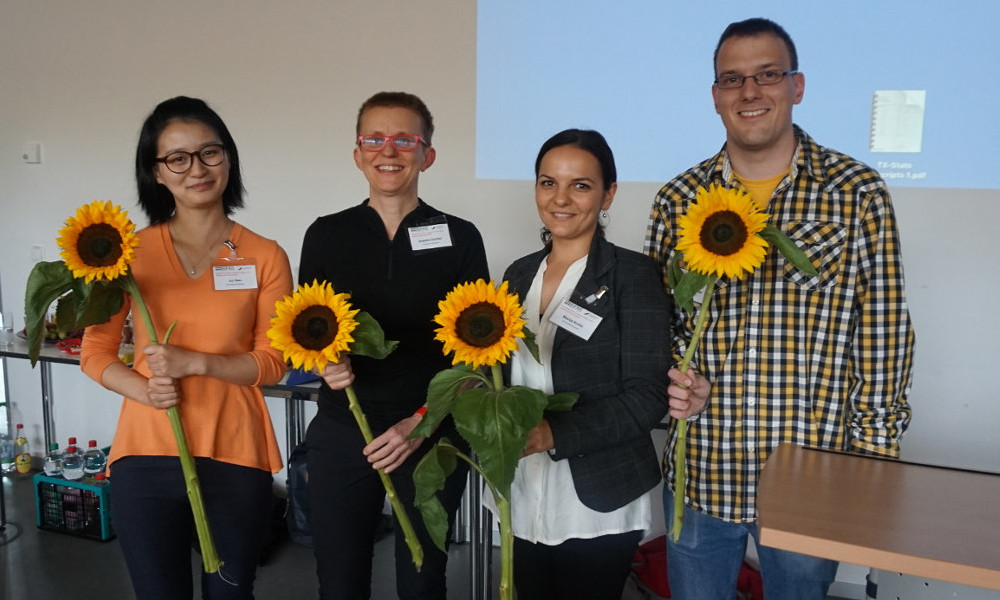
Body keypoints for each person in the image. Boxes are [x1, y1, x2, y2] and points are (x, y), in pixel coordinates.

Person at [644, 18, 915, 599]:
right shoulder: (678, 199)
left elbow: (884, 332)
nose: (750, 92)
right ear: (714, 96)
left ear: (797, 85)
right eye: (733, 79)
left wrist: (872, 462)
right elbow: (655, 324)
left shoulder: (856, 192)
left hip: (811, 475)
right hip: (703, 469)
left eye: (767, 75)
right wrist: (674, 381)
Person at [80, 96, 293, 599]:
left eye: (209, 153)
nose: (196, 169)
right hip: (146, 453)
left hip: (235, 451)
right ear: (156, 172)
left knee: (230, 592)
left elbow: (274, 362)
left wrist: (197, 362)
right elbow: (96, 350)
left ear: (228, 158)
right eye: (177, 158)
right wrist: (144, 390)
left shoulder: (264, 255)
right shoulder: (126, 253)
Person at [298, 91, 489, 600]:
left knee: (424, 580)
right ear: (358, 153)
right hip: (345, 429)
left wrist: (420, 423)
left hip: (432, 433)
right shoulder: (325, 235)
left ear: (427, 154)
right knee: (339, 580)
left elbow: (476, 360)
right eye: (374, 138)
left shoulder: (460, 237)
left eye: (405, 139)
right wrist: (324, 364)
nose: (389, 150)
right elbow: (306, 331)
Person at [496, 129, 671, 600]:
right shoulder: (517, 275)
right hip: (523, 489)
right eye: (548, 182)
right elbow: (500, 370)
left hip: (599, 499)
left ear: (608, 193)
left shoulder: (632, 276)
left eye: (581, 185)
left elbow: (648, 396)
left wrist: (553, 433)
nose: (561, 199)